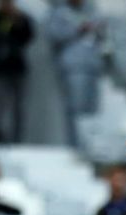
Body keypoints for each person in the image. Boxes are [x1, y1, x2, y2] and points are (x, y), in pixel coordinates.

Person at [46, 0, 104, 144]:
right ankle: (75, 145)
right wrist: (78, 29)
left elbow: (101, 35)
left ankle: (89, 146)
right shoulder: (59, 12)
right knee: (76, 110)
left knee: (91, 111)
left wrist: (99, 30)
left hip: (92, 66)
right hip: (73, 67)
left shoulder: (92, 10)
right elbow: (53, 35)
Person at [0, 0, 34, 142]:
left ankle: (17, 139)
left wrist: (17, 19)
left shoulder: (22, 18)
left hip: (18, 68)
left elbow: (28, 36)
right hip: (1, 69)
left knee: (19, 108)